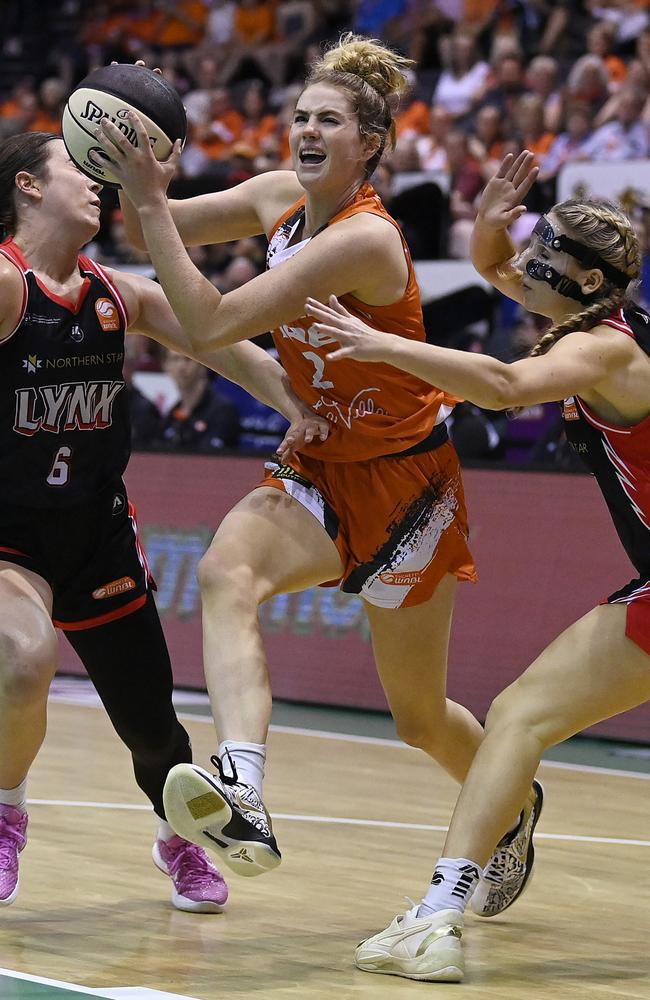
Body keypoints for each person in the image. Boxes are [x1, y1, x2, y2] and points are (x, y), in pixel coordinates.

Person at [92, 35, 538, 901]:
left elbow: (214, 321)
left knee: (418, 718)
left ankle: (512, 803)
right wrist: (125, 158)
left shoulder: (364, 239)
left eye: (326, 119)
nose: (304, 128)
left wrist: (148, 209)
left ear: (367, 142)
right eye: (298, 114)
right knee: (227, 573)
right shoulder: (278, 200)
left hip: (409, 487)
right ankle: (244, 789)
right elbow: (155, 221)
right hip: (322, 465)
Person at [303, 150, 650, 981]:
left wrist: (378, 344)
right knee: (519, 714)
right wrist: (494, 223)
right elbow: (499, 272)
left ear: (591, 281)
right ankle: (439, 911)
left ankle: (436, 916)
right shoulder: (590, 323)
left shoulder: (605, 352)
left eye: (546, 253)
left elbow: (497, 382)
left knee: (519, 715)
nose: (526, 266)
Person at [0, 131, 324, 910]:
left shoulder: (117, 295)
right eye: (77, 169)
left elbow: (221, 344)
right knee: (21, 659)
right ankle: (6, 817)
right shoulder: (7, 286)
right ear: (27, 187)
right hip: (11, 533)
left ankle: (177, 835)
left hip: (98, 530)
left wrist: (296, 406)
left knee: (152, 728)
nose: (96, 183)